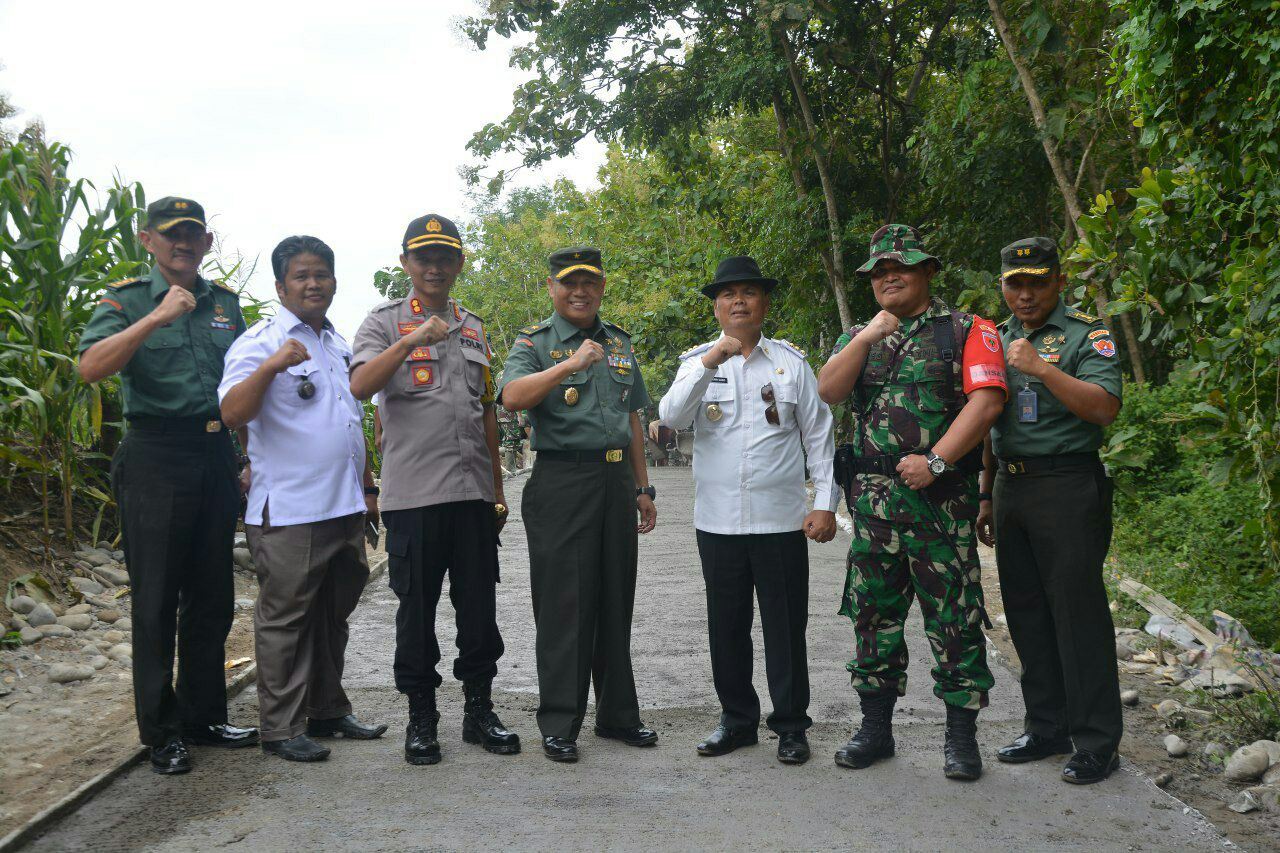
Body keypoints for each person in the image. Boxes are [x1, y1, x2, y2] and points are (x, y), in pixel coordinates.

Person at [817, 224, 1007, 781]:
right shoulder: (860, 334)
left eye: (900, 267)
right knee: (873, 619)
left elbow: (987, 402)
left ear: (928, 270)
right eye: (878, 271)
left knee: (954, 622)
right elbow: (828, 391)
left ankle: (961, 737)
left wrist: (939, 461)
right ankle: (875, 730)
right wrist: (865, 337)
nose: (888, 276)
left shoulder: (969, 329)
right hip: (873, 512)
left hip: (941, 509)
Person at [77, 197, 258, 775]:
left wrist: (248, 457)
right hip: (155, 455)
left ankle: (203, 717)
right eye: (171, 234)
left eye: (193, 235)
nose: (183, 243)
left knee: (212, 596)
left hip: (214, 453)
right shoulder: (126, 301)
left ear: (207, 243)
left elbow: (245, 386)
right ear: (147, 240)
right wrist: (155, 318)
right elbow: (91, 367)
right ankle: (161, 732)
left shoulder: (226, 306)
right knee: (156, 601)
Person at [349, 214, 519, 765]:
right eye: (424, 257)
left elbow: (486, 414)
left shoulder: (474, 326)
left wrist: (496, 489)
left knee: (478, 611)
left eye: (445, 257)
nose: (435, 267)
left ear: (459, 263)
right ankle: (421, 718)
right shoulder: (382, 323)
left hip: (471, 497)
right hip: (414, 500)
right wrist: (412, 340)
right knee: (416, 614)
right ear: (405, 264)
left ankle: (479, 711)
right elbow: (360, 385)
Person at [658, 256, 838, 765]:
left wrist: (825, 503)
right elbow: (670, 416)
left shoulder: (790, 364)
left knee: (785, 627)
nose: (739, 301)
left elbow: (819, 438)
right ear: (716, 306)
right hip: (716, 522)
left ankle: (790, 726)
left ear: (764, 302)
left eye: (749, 293)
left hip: (780, 521)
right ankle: (736, 721)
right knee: (726, 626)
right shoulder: (698, 362)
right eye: (728, 294)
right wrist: (713, 358)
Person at [218, 236, 387, 762]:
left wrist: (368, 489)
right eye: (301, 276)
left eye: (322, 274)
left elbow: (349, 426)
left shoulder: (338, 345)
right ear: (280, 286)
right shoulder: (258, 342)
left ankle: (328, 710)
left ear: (334, 281)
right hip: (290, 510)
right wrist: (270, 367)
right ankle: (280, 728)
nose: (313, 284)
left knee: (332, 616)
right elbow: (231, 414)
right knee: (285, 618)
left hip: (344, 507)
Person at [498, 246, 658, 763]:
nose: (580, 291)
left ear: (602, 287)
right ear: (552, 288)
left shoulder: (618, 342)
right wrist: (570, 362)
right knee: (565, 605)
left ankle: (617, 716)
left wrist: (643, 487)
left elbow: (632, 416)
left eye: (590, 283)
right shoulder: (535, 342)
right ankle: (560, 721)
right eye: (569, 283)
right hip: (561, 482)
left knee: (615, 599)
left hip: (615, 481)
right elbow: (513, 396)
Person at [977, 237, 1124, 785]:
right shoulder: (996, 337)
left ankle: (1096, 741)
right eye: (1015, 283)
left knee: (1077, 614)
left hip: (1067, 485)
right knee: (1026, 612)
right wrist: (988, 493)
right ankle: (1046, 726)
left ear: (1059, 282)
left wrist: (1041, 369)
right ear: (1003, 286)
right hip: (1013, 489)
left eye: (1037, 281)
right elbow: (992, 416)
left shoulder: (1090, 334)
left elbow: (1104, 408)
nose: (1026, 293)